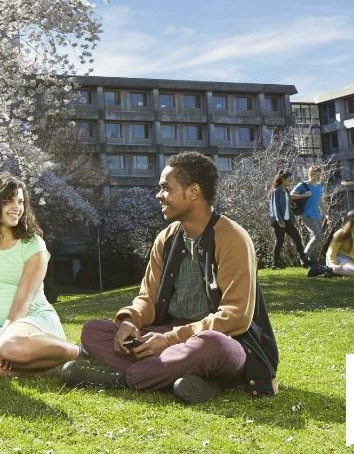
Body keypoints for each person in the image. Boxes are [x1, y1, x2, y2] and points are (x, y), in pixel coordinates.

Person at [63, 152, 281, 402]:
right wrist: (130, 321)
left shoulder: (233, 238)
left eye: (166, 188)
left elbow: (235, 317)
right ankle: (190, 380)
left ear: (193, 192)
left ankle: (122, 379)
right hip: (171, 336)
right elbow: (148, 297)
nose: (159, 195)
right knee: (94, 332)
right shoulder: (165, 238)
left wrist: (168, 341)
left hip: (225, 342)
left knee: (212, 346)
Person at [0, 174, 75, 377]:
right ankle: (42, 371)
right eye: (9, 201)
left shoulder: (33, 245)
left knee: (10, 347)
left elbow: (23, 302)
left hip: (31, 321)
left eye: (20, 201)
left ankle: (77, 352)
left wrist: (2, 336)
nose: (17, 207)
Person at [308, 211, 354, 277]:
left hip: (350, 261)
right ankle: (324, 269)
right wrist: (333, 265)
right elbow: (331, 251)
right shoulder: (341, 233)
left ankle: (334, 272)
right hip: (339, 259)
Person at [266, 170, 305, 269]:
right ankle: (275, 264)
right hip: (278, 220)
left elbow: (288, 208)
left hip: (287, 220)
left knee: (297, 238)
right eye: (289, 180)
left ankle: (304, 260)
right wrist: (280, 221)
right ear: (283, 180)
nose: (290, 182)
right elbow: (275, 207)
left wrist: (294, 220)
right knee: (279, 241)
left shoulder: (287, 191)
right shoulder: (276, 191)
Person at [290, 167, 326, 266]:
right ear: (310, 175)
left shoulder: (319, 187)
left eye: (320, 175)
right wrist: (304, 195)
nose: (319, 177)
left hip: (318, 216)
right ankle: (304, 257)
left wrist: (327, 214)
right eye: (316, 175)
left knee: (315, 238)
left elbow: (320, 201)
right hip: (307, 215)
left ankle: (311, 260)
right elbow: (291, 195)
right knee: (318, 236)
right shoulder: (303, 185)